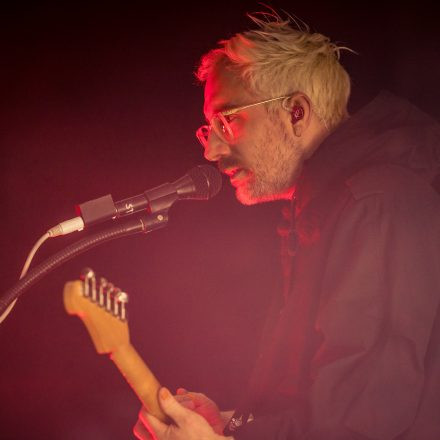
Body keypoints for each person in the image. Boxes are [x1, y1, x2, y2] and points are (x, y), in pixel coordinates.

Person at [134, 10, 440, 440]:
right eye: (209, 128)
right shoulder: (333, 208)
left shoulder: (379, 205)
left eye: (227, 121)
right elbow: (320, 414)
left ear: (296, 113)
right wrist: (231, 424)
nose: (211, 150)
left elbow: (357, 426)